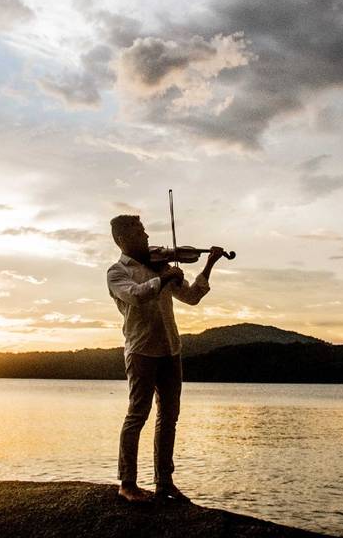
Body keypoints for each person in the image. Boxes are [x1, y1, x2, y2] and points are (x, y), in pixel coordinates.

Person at [106, 214, 225, 504]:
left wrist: (208, 264)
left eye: (145, 231)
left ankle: (164, 482)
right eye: (140, 232)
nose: (147, 237)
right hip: (141, 350)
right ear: (123, 238)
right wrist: (164, 278)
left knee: (168, 417)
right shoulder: (117, 272)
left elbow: (193, 296)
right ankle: (127, 483)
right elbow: (136, 296)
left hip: (171, 350)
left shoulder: (160, 266)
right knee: (137, 415)